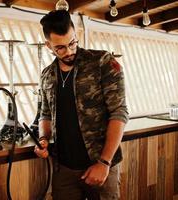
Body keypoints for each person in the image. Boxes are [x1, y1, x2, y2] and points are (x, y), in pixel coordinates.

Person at [34, 10, 129, 200]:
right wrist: (43, 139)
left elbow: (119, 113)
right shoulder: (46, 75)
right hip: (65, 171)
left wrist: (104, 162)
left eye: (72, 43)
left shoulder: (102, 62)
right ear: (48, 45)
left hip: (102, 166)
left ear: (76, 34)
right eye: (60, 48)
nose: (69, 51)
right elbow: (45, 114)